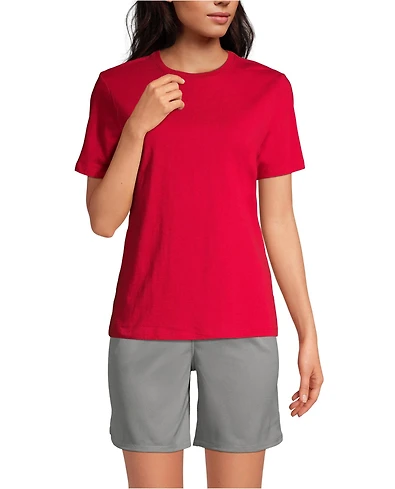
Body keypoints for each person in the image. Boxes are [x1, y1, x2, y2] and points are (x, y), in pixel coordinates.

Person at [74, 1, 324, 487]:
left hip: (243, 323)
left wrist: (307, 332)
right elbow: (103, 221)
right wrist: (138, 126)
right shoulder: (117, 87)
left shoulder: (268, 88)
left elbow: (278, 221)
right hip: (146, 324)